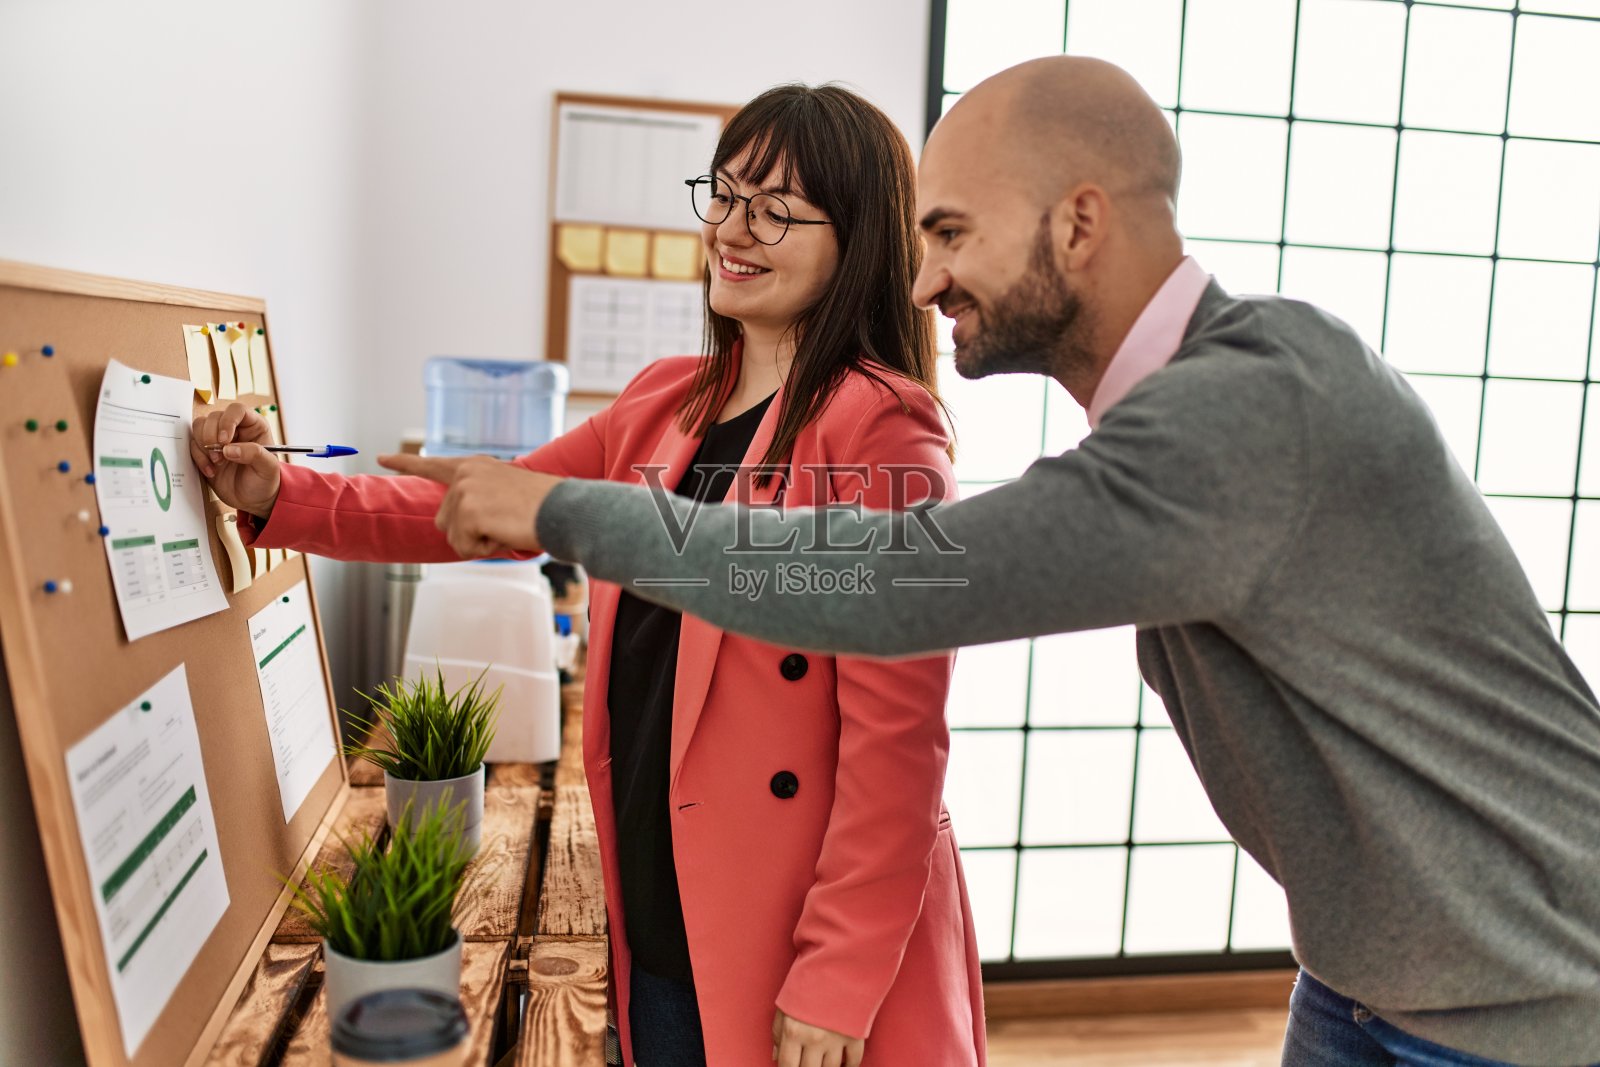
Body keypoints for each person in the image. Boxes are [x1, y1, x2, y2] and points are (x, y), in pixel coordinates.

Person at [381, 57, 1600, 1067]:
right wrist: (286, 494)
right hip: (1358, 982)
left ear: (1077, 220)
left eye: (951, 232)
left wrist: (568, 512)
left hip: (1524, 1001)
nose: (921, 278)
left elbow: (889, 583)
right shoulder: (1169, 417)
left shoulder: (1248, 409)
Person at [195, 84, 987, 1067]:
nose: (732, 230)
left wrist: (838, 974)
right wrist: (278, 490)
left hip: (794, 928)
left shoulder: (882, 426)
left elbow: (898, 745)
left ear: (856, 237)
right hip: (659, 895)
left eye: (775, 208)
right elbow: (487, 510)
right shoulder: (663, 401)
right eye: (724, 194)